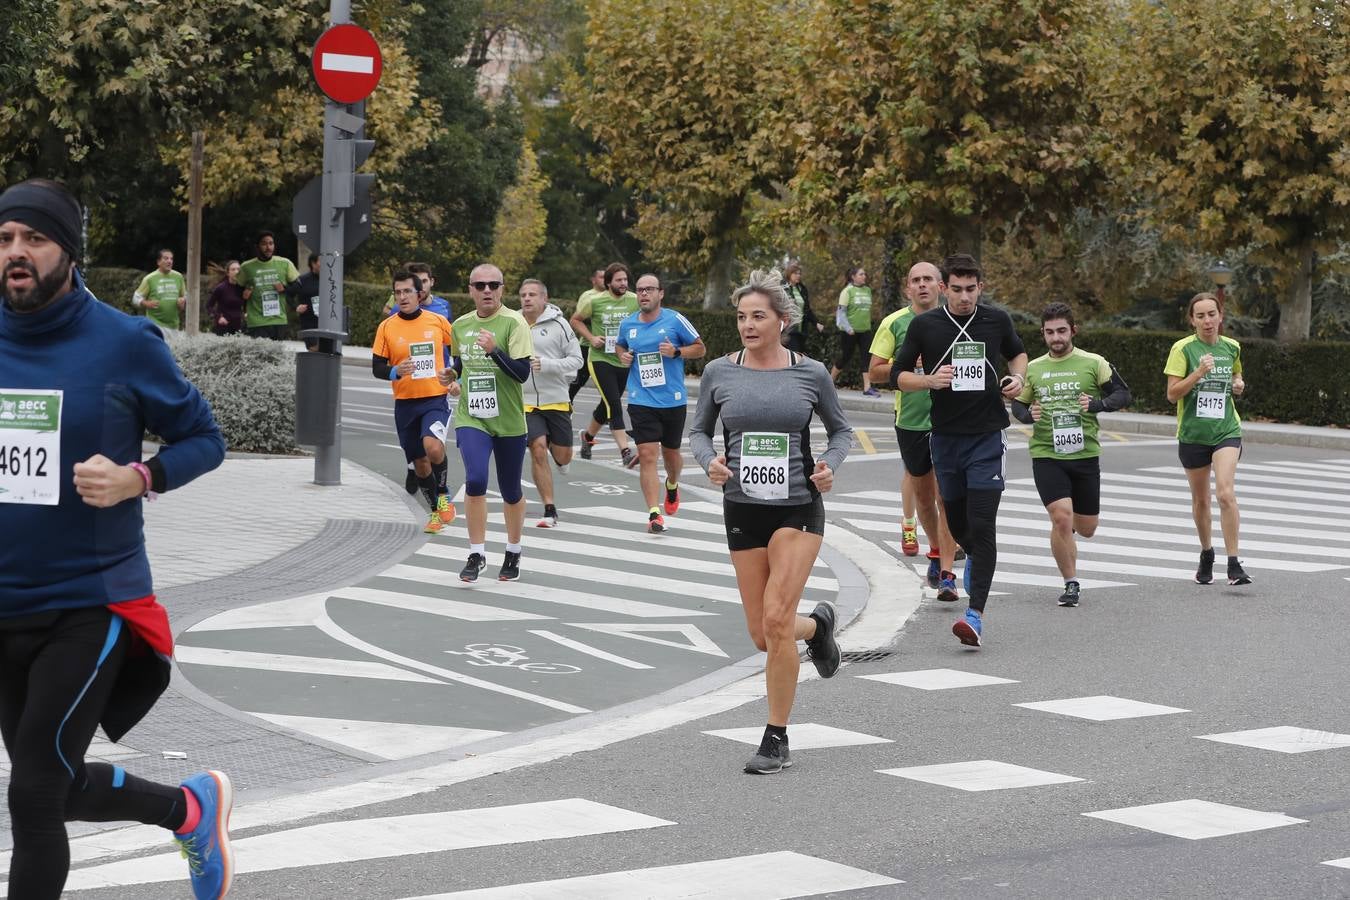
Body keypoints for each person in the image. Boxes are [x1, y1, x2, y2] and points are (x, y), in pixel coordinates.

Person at [0, 179, 232, 900]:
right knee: (55, 786)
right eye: (5, 238)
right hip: (3, 603)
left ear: (68, 252)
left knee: (34, 792)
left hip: (89, 601)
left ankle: (187, 811)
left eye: (34, 239)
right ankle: (186, 810)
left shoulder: (124, 342)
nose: (16, 253)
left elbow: (205, 438)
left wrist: (140, 477)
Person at [690, 269, 851, 775]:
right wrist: (708, 462)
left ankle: (775, 736)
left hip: (797, 507)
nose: (747, 325)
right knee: (765, 634)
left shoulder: (811, 373)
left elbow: (842, 431)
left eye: (758, 316)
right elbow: (697, 433)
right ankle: (819, 627)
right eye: (741, 317)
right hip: (742, 507)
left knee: (776, 620)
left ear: (783, 320)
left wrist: (829, 465)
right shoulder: (719, 371)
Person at [890, 253, 1027, 648]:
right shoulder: (925, 325)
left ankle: (975, 615)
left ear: (980, 288)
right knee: (960, 522)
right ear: (944, 288)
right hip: (945, 438)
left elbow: (1018, 352)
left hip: (987, 436)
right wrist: (929, 380)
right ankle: (970, 554)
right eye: (958, 289)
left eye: (972, 289)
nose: (965, 297)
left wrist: (1017, 377)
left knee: (982, 525)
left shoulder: (996, 320)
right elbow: (897, 376)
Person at [1010, 302, 1132, 607]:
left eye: (1062, 330)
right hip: (1046, 454)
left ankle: (1068, 529)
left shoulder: (1093, 363)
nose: (1056, 337)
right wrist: (1028, 415)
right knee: (1061, 516)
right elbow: (1018, 405)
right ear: (1043, 334)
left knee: (1086, 528)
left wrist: (1097, 405)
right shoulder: (1034, 369)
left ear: (1073, 330)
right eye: (1050, 332)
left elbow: (1123, 393)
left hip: (1085, 453)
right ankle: (1071, 582)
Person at [867, 261, 958, 599]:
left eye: (929, 280)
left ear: (941, 286)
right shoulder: (894, 323)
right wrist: (910, 367)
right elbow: (875, 372)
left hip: (952, 420)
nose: (922, 285)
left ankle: (947, 572)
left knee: (946, 495)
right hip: (911, 420)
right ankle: (935, 550)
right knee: (923, 495)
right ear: (908, 289)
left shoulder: (957, 323)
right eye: (916, 281)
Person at [445, 263, 535, 582]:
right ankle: (477, 553)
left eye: (493, 285)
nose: (487, 290)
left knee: (510, 490)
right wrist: (452, 374)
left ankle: (513, 550)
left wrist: (495, 351)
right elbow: (459, 362)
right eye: (480, 285)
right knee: (476, 479)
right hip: (472, 416)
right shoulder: (460, 325)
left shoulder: (514, 323)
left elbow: (522, 373)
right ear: (470, 289)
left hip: (509, 420)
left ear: (502, 289)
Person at [1164, 291, 1251, 586]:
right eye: (1200, 316)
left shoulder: (1232, 347)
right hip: (1193, 434)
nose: (1207, 320)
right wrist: (1198, 373)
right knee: (1201, 500)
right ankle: (1206, 553)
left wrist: (1238, 384)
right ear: (1192, 320)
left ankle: (1234, 563)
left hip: (1226, 430)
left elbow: (1236, 376)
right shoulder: (1183, 349)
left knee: (1225, 493)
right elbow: (1172, 393)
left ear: (1220, 316)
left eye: (1211, 314)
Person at [616, 273, 706, 533]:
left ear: (660, 293)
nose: (644, 294)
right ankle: (654, 514)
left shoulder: (675, 320)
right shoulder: (628, 324)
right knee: (646, 455)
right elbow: (620, 347)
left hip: (672, 400)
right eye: (640, 290)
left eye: (649, 290)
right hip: (640, 399)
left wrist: (677, 351)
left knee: (671, 454)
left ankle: (673, 484)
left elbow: (700, 348)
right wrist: (623, 357)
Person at [371, 270, 457, 534]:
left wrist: (455, 376)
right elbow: (377, 367)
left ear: (419, 294)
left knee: (432, 448)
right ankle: (434, 512)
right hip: (405, 403)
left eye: (407, 291)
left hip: (434, 398)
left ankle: (442, 494)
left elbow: (460, 351)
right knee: (419, 462)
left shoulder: (438, 321)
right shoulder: (387, 326)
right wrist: (396, 371)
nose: (402, 297)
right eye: (397, 292)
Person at [519, 278, 582, 529]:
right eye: (523, 294)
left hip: (555, 399)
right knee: (537, 447)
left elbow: (576, 360)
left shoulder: (560, 325)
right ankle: (549, 509)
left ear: (544, 299)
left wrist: (548, 364)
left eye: (532, 294)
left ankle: (563, 459)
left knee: (562, 454)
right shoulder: (513, 323)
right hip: (524, 401)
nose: (526, 299)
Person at [570, 262, 638, 466]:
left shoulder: (634, 300)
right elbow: (576, 320)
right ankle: (625, 451)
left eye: (625, 279)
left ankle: (588, 438)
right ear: (609, 283)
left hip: (623, 359)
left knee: (607, 403)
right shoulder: (595, 301)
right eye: (619, 280)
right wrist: (591, 338)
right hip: (600, 359)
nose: (623, 283)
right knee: (614, 405)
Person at [237, 231, 299, 340]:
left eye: (271, 243)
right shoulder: (246, 267)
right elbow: (237, 289)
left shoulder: (285, 263)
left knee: (276, 355)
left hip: (278, 319)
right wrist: (243, 295)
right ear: (257, 246)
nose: (268, 247)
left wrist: (284, 289)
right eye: (264, 244)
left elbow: (298, 287)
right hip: (257, 321)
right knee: (261, 355)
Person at [830, 266, 879, 396]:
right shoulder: (847, 291)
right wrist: (848, 328)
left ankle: (867, 388)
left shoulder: (867, 290)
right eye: (861, 274)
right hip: (849, 331)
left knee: (867, 358)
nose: (864, 276)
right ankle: (829, 382)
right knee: (845, 357)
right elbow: (841, 313)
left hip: (865, 330)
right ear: (853, 277)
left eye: (865, 274)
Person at [568, 268, 606, 401]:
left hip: (608, 346)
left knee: (607, 383)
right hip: (587, 344)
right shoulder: (588, 296)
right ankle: (568, 401)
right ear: (593, 280)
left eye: (606, 277)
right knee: (581, 378)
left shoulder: (611, 296)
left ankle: (607, 414)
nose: (604, 279)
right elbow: (579, 319)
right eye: (601, 277)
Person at [131, 248, 187, 331]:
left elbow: (185, 295)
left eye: (171, 259)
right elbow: (135, 298)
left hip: (174, 325)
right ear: (158, 262)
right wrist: (146, 303)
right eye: (166, 258)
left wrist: (183, 301)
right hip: (155, 324)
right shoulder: (149, 278)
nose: (169, 261)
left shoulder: (178, 277)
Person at [782, 262, 823, 354]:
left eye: (799, 274)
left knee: (798, 356)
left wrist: (816, 323)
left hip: (801, 330)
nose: (798, 276)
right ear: (789, 274)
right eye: (795, 273)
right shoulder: (783, 289)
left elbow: (807, 309)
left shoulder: (802, 289)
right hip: (789, 330)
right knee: (794, 356)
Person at [287, 255, 321, 350]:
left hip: (327, 323)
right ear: (313, 263)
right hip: (309, 323)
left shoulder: (330, 280)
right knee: (315, 351)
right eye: (322, 261)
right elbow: (289, 294)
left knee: (326, 353)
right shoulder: (303, 280)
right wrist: (296, 307)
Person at [206, 260, 245, 336]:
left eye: (238, 269)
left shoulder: (242, 287)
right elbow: (209, 306)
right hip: (224, 326)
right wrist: (218, 318)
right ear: (228, 273)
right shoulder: (221, 288)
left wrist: (246, 314)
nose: (236, 271)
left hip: (239, 327)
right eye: (233, 269)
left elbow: (246, 305)